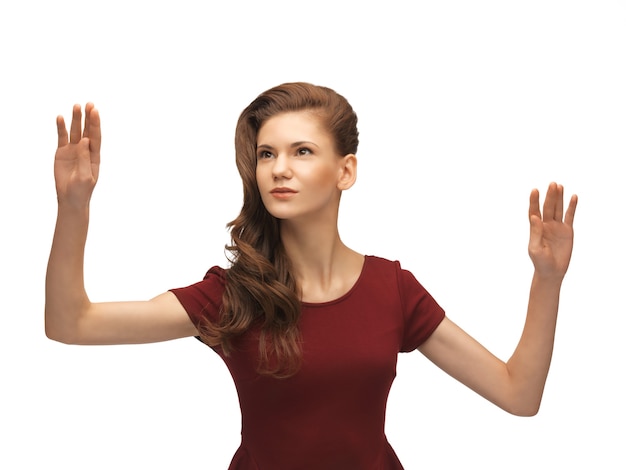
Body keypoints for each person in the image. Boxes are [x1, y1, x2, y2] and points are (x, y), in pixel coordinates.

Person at [45, 82, 578, 469]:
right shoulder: (232, 296)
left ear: (345, 170)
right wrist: (74, 207)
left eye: (302, 152)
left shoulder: (392, 290)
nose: (280, 168)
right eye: (267, 154)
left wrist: (547, 280)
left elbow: (518, 394)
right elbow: (71, 323)